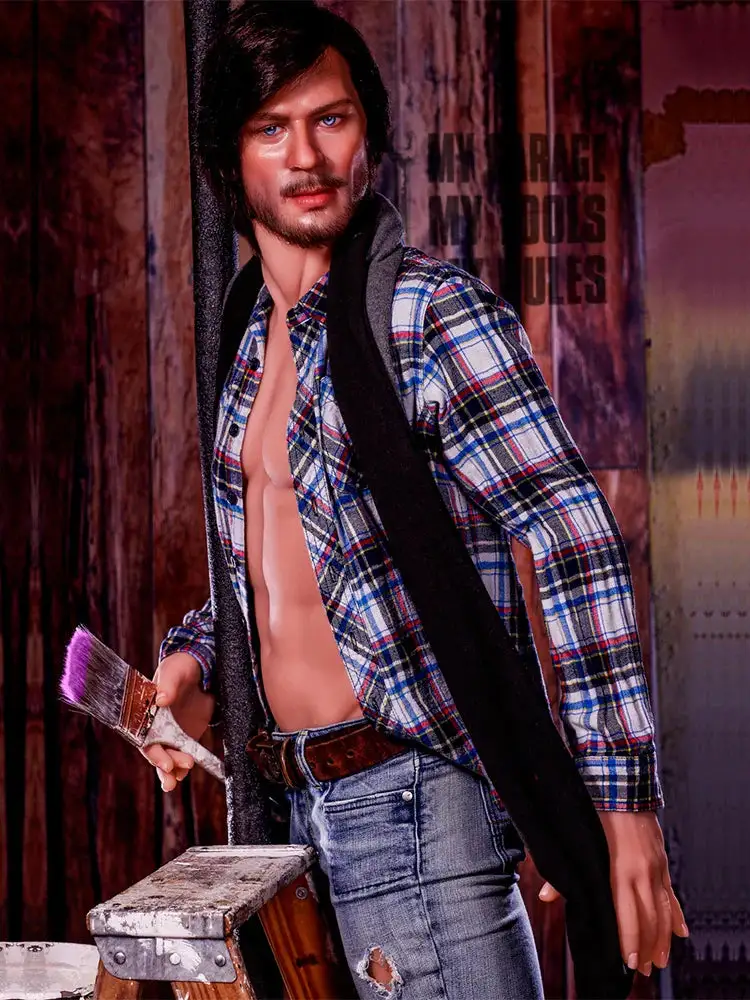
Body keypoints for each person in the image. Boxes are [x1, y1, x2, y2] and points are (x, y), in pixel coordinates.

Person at [143, 2, 688, 997]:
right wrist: (194, 660)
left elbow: (573, 537)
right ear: (230, 160)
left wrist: (626, 810)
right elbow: (284, 568)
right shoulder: (250, 341)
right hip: (293, 814)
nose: (307, 156)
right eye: (272, 128)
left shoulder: (428, 315)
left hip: (415, 806)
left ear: (369, 133)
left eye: (332, 118)